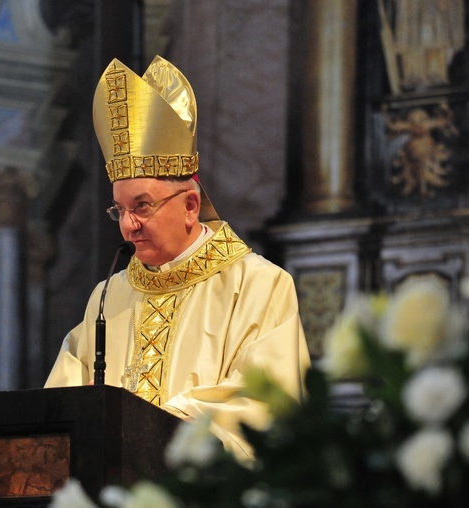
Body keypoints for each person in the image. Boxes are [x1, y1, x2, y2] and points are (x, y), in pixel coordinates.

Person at [45, 56, 310, 460]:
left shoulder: (260, 286)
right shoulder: (105, 298)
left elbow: (266, 406)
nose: (129, 225)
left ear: (190, 205)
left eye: (143, 205)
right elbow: (61, 415)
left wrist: (147, 427)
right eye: (119, 209)